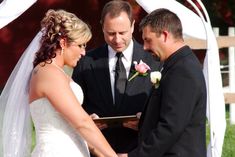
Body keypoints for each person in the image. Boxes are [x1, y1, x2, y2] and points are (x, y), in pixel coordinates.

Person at [0, 9, 118, 157]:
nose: (83, 53)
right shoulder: (48, 73)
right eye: (80, 45)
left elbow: (78, 122)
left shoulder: (59, 73)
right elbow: (82, 122)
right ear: (63, 43)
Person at [72, 0, 161, 154]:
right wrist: (87, 118)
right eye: (111, 33)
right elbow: (74, 103)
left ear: (133, 26)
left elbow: (164, 104)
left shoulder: (153, 60)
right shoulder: (86, 61)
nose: (117, 40)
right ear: (102, 27)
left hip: (140, 148)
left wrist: (147, 120)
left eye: (122, 33)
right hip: (98, 149)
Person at [118, 8, 207, 157]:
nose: (145, 47)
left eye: (148, 40)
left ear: (165, 35)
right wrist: (146, 121)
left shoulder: (183, 70)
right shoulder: (177, 63)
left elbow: (171, 126)